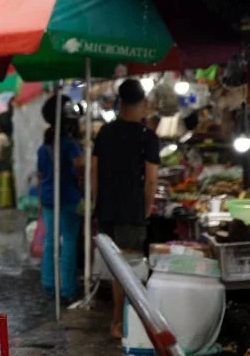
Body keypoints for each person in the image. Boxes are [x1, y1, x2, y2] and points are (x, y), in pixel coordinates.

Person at [92, 79, 160, 339]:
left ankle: (119, 321)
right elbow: (151, 180)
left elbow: (95, 171)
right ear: (142, 102)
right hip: (131, 211)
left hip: (107, 209)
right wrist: (146, 209)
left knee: (115, 268)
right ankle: (122, 324)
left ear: (120, 101)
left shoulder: (105, 132)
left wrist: (98, 202)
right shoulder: (147, 137)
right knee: (128, 269)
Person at [37, 95, 84, 302]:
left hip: (48, 197)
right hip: (68, 197)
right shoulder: (69, 145)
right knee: (70, 241)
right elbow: (80, 166)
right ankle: (67, 288)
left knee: (51, 240)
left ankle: (48, 283)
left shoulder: (43, 147)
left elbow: (40, 175)